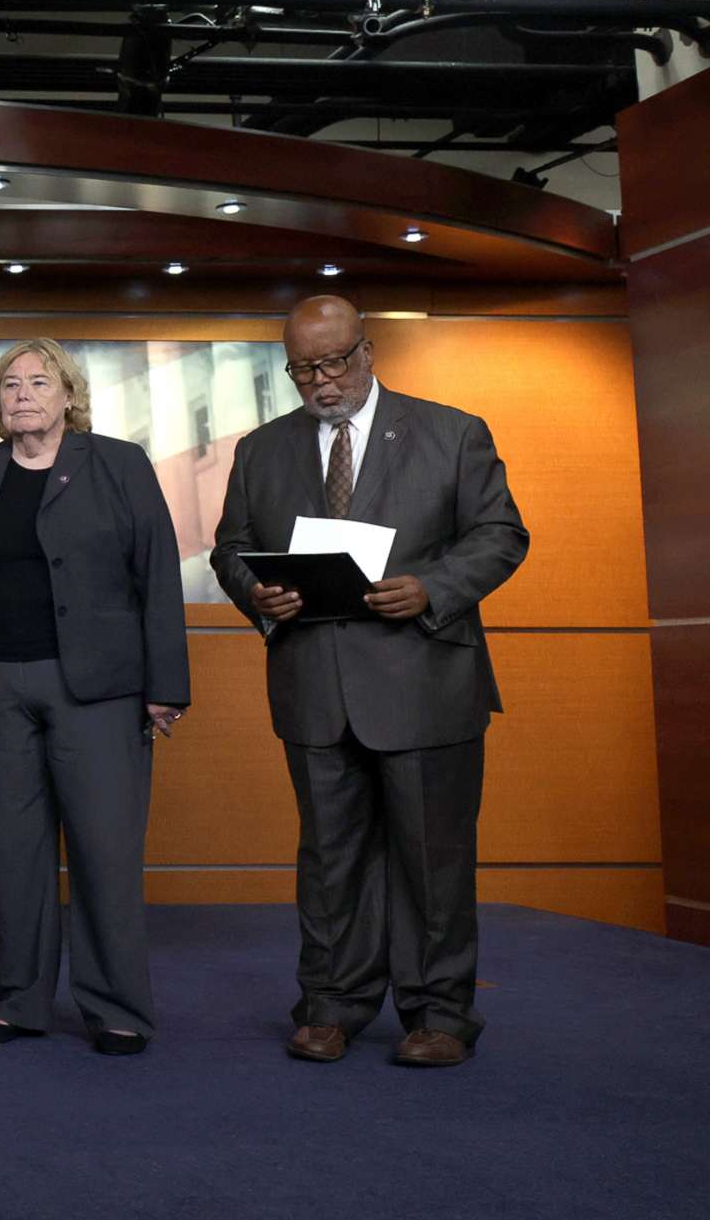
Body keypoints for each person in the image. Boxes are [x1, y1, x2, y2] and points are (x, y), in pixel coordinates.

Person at [211, 295, 528, 1068]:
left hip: (425, 680)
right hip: (314, 687)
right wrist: (257, 592)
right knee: (329, 858)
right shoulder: (261, 449)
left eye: (334, 362)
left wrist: (434, 587)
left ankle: (439, 1012)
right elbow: (232, 546)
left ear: (369, 350)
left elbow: (501, 534)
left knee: (432, 858)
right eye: (301, 369)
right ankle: (331, 1003)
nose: (320, 382)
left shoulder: (452, 432)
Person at [0, 338, 189, 1055]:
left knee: (105, 850)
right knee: (13, 850)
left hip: (99, 690)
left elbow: (158, 573)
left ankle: (117, 1006)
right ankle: (20, 1000)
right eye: (9, 384)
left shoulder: (118, 465)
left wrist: (165, 688)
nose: (22, 395)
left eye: (38, 382)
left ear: (68, 394)